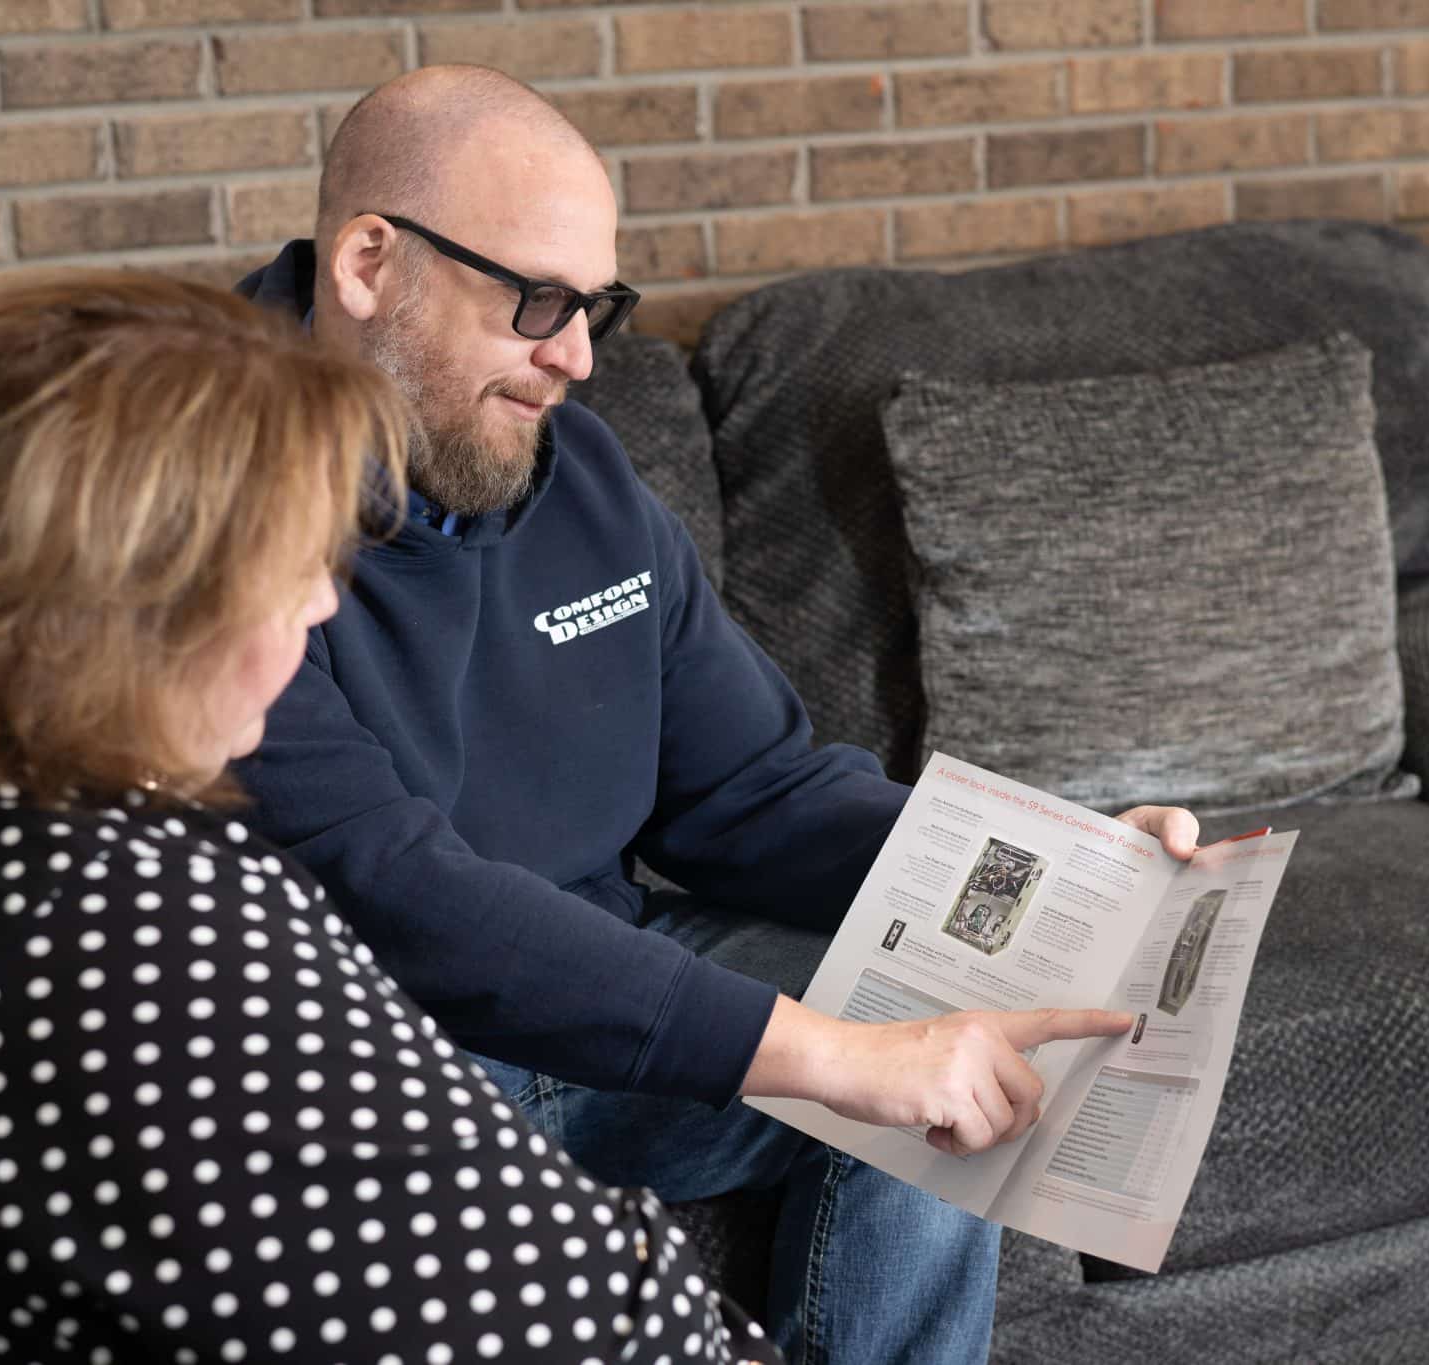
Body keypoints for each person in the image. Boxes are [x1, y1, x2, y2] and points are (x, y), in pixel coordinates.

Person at [235, 65, 1201, 1365]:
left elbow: (753, 791)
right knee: (895, 1056)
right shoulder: (194, 492)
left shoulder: (571, 473)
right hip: (385, 1069)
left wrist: (1051, 866)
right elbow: (391, 890)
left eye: (597, 310)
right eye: (536, 304)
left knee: (967, 1060)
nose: (574, 359)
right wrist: (829, 1054)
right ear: (367, 264)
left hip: (606, 1013)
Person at [0, 272, 777, 1363]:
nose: (324, 602)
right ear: (152, 591)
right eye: (295, 562)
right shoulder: (128, 925)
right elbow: (575, 1317)